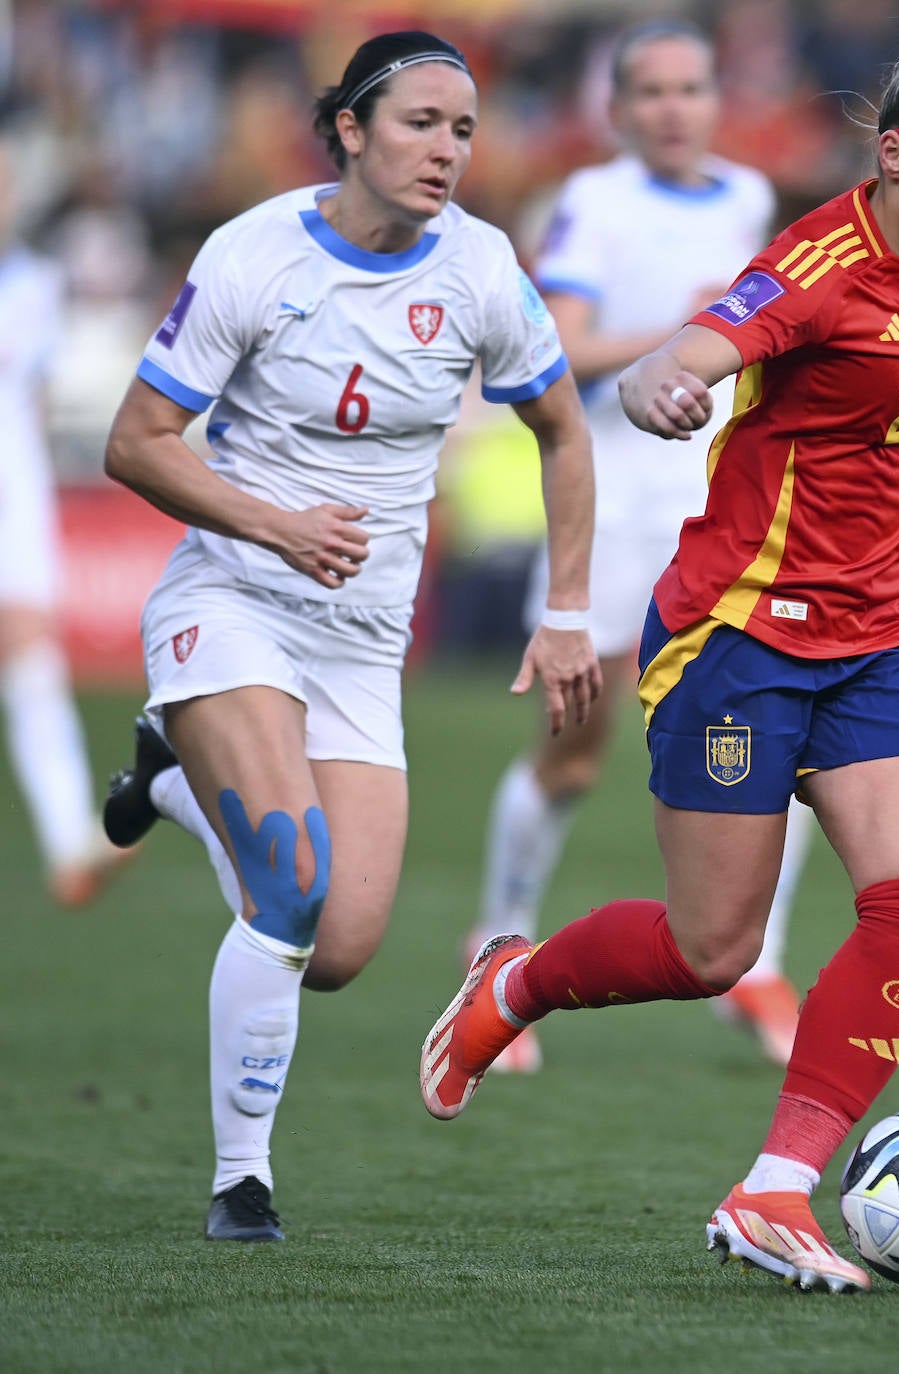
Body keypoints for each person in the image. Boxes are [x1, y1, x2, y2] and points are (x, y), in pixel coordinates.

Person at [420, 6, 899, 1292]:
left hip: (881, 633)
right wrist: (657, 381)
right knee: (710, 950)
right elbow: (702, 342)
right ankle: (508, 990)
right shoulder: (813, 264)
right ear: (895, 154)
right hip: (741, 632)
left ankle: (776, 1187)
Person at [100, 31, 600, 1243]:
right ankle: (242, 1182)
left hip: (363, 643)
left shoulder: (479, 268)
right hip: (232, 598)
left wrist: (570, 610)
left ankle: (167, 784)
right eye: (422, 123)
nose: (446, 151)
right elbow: (137, 442)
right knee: (289, 881)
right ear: (352, 131)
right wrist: (272, 526)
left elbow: (565, 431)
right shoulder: (254, 255)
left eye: (464, 131)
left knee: (336, 947)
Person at [468, 18, 811, 1073]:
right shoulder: (594, 204)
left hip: (722, 508)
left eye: (690, 88)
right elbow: (561, 346)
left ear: (717, 99)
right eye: (650, 92)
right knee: (575, 749)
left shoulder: (752, 198)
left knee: (785, 735)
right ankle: (495, 945)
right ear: (617, 110)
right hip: (610, 506)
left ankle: (756, 965)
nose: (672, 108)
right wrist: (681, 328)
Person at [0, 134, 133, 909]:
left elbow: (38, 399)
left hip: (14, 482)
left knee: (29, 646)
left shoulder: (36, 284)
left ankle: (69, 840)